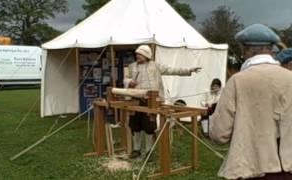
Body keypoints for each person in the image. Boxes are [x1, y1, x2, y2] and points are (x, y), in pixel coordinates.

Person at [209, 24, 292, 180]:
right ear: (271, 49)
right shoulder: (290, 78)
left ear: (245, 50)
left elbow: (219, 134)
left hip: (251, 168)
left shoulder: (238, 81)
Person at [124, 45, 201, 159]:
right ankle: (136, 150)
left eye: (140, 54)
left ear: (146, 55)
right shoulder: (131, 67)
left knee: (149, 126)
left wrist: (189, 70)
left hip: (151, 100)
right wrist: (129, 82)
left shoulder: (155, 66)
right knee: (135, 126)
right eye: (137, 54)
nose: (137, 56)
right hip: (135, 100)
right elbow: (125, 79)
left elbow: (172, 70)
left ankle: (149, 151)